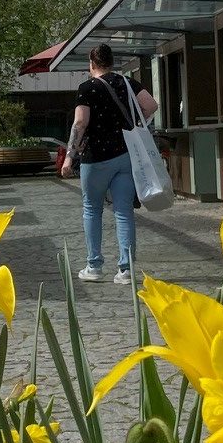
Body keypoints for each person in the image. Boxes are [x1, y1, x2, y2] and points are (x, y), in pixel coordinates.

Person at [60, 43, 157, 284]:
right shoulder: (127, 83)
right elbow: (151, 105)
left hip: (96, 158)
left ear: (91, 63)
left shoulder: (86, 88)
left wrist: (70, 156)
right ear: (111, 62)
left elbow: (80, 123)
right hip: (125, 155)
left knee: (92, 209)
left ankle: (94, 265)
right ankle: (127, 270)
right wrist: (136, 122)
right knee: (124, 211)